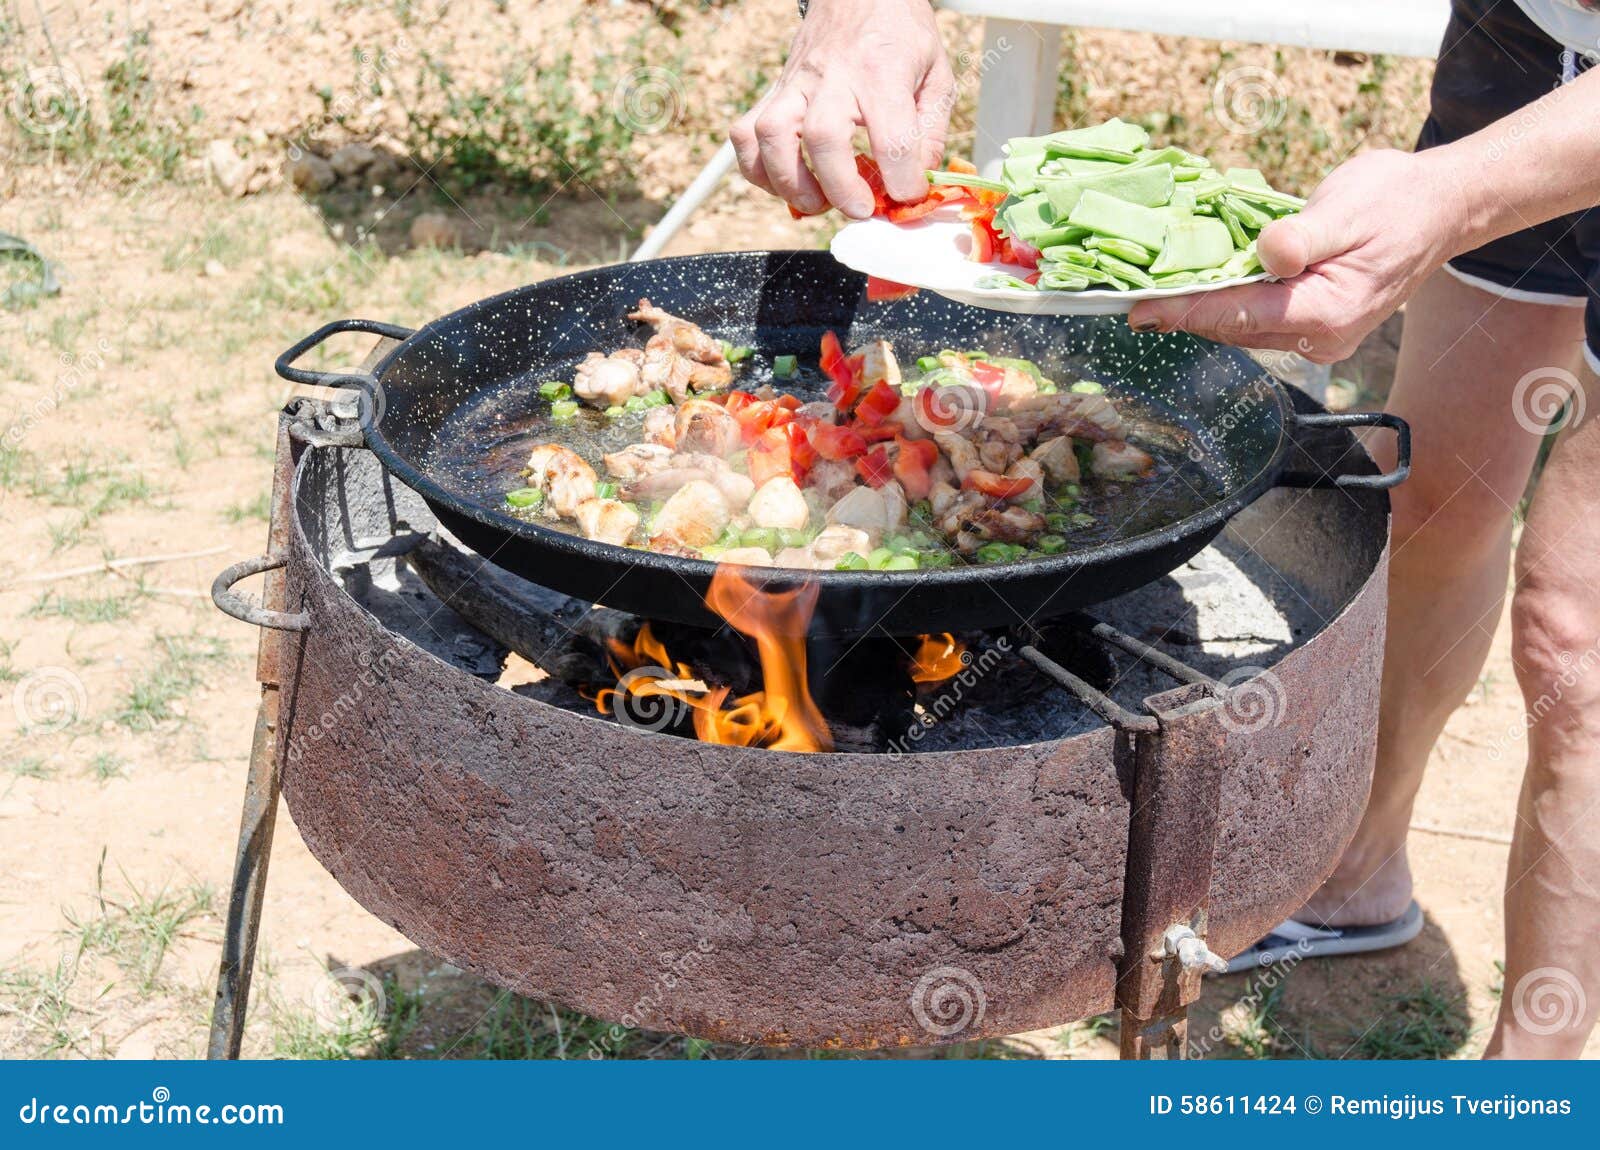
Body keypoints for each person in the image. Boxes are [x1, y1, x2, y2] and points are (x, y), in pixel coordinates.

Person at [732, 0, 1600, 1057]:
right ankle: (1360, 873)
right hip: (1529, 32)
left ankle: (1534, 1082)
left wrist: (1454, 194)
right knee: (1436, 505)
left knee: (1572, 627)